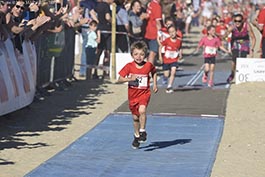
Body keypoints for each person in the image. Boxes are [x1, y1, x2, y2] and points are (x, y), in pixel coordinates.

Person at [118, 41, 158, 149]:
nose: (138, 57)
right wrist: (129, 79)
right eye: (136, 54)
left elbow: (154, 72)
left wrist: (154, 84)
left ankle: (143, 131)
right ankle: (136, 136)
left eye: (141, 54)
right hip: (133, 96)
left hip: (144, 93)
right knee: (135, 118)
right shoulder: (129, 66)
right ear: (132, 55)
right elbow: (119, 79)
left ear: (145, 55)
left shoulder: (148, 65)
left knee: (142, 110)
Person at [225, 13, 255, 83]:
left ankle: (241, 76)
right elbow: (224, 37)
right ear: (233, 21)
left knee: (242, 59)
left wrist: (252, 49)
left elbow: (253, 38)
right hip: (235, 42)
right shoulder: (232, 27)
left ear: (242, 21)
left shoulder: (247, 26)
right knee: (234, 59)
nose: (237, 23)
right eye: (235, 21)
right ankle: (232, 74)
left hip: (245, 42)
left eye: (239, 21)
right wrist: (226, 35)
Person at [158, 25, 182, 93]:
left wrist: (180, 54)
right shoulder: (167, 40)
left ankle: (169, 86)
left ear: (176, 32)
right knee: (166, 74)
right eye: (170, 32)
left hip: (174, 59)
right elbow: (160, 47)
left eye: (173, 31)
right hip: (166, 60)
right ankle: (165, 77)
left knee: (173, 71)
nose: (172, 33)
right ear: (168, 33)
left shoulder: (179, 41)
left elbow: (179, 48)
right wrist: (160, 56)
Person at [144, 0, 162, 64]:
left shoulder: (150, 4)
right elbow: (158, 21)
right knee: (153, 52)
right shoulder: (157, 6)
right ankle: (148, 70)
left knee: (149, 52)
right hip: (154, 31)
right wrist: (160, 33)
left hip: (148, 30)